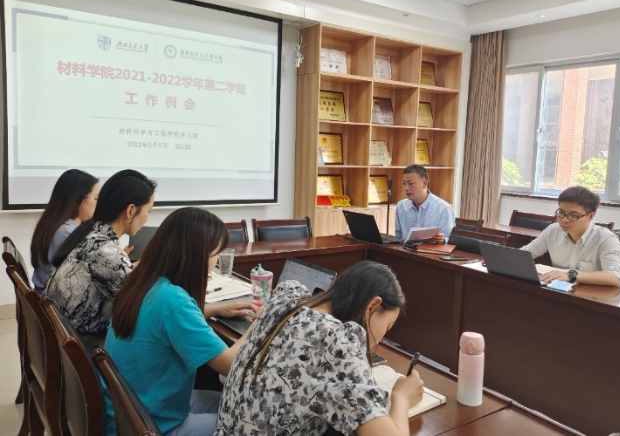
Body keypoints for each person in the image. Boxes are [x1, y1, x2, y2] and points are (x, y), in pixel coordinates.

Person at [215, 261, 425, 436]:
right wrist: (402, 398)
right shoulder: (337, 342)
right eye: (386, 327)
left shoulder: (286, 299)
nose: (379, 339)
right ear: (372, 306)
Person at [104, 207, 257, 436]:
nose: (216, 261)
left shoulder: (143, 282)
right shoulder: (173, 301)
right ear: (198, 256)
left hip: (130, 411)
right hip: (152, 425)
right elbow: (230, 365)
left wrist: (216, 309)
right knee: (256, 419)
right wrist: (258, 325)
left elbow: (163, 322)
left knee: (242, 403)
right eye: (215, 254)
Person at [44, 169, 156, 342]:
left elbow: (118, 277)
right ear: (130, 211)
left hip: (63, 336)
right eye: (149, 211)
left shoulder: (89, 232)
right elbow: (144, 303)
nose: (148, 217)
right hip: (85, 343)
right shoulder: (105, 251)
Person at [522, 186, 620, 287]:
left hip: (592, 294)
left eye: (573, 215)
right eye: (561, 213)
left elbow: (615, 278)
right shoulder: (553, 231)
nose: (564, 220)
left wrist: (571, 275)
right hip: (559, 291)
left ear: (590, 216)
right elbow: (525, 254)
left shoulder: (606, 239)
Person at [29, 169, 99, 294]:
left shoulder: (53, 222)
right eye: (96, 198)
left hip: (45, 294)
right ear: (79, 199)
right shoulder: (69, 233)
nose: (98, 204)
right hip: (55, 300)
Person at [395, 165, 455, 244]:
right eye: (404, 183)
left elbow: (450, 240)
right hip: (406, 250)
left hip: (431, 251)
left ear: (424, 183)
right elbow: (398, 237)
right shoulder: (401, 206)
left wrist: (443, 240)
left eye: (410, 183)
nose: (406, 188)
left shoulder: (443, 208)